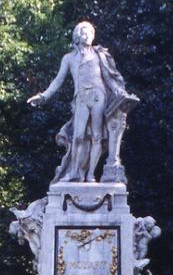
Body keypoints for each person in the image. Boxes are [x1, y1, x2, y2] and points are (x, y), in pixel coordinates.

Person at [27, 22, 139, 183]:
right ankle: (74, 173)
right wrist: (43, 96)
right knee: (78, 136)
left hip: (98, 96)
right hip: (81, 98)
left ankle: (91, 174)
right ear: (78, 36)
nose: (89, 36)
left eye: (91, 33)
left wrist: (118, 90)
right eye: (85, 33)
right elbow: (58, 80)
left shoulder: (99, 55)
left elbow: (108, 78)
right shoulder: (69, 58)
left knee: (97, 136)